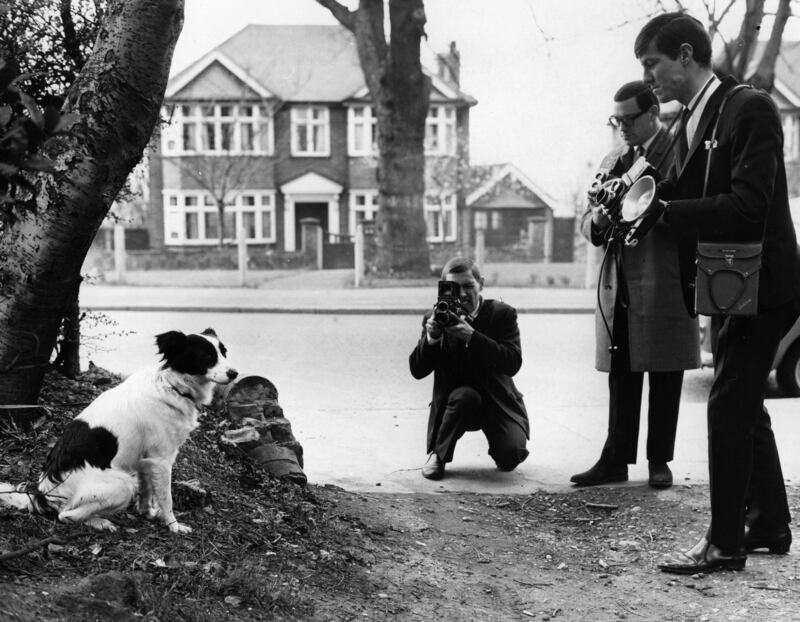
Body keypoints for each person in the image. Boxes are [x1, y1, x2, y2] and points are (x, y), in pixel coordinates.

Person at [635, 11, 800, 574]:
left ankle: (725, 543)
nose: (649, 77)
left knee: (728, 404)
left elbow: (749, 205)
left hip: (763, 284)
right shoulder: (698, 115)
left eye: (653, 64)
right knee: (743, 403)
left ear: (686, 55)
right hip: (732, 282)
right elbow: (683, 188)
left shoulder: (749, 107)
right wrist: (636, 198)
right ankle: (770, 523)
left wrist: (667, 212)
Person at [571, 81, 700, 488]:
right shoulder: (613, 159)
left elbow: (689, 208)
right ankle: (615, 458)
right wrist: (602, 218)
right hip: (620, 279)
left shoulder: (680, 152)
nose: (622, 127)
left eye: (629, 119)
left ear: (653, 114)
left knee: (666, 369)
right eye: (616, 119)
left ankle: (659, 460)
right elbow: (587, 223)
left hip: (664, 274)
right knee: (620, 370)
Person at [409, 257, 529, 480]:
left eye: (468, 286)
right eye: (454, 288)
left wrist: (471, 336)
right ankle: (438, 455)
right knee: (464, 396)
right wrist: (432, 337)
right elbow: (417, 370)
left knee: (510, 458)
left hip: (498, 402)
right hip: (458, 405)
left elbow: (512, 363)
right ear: (443, 288)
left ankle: (503, 445)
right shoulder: (437, 317)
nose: (462, 294)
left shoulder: (502, 314)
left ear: (481, 284)